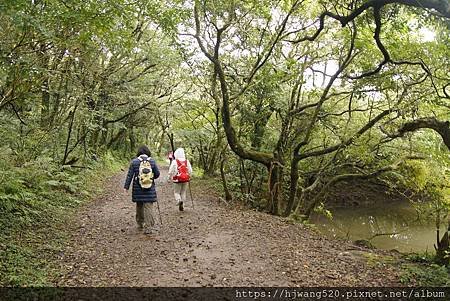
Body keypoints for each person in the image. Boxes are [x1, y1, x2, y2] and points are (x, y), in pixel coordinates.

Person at [124, 145, 160, 234]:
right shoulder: (152, 161)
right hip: (149, 187)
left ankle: (140, 223)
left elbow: (130, 175)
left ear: (138, 153)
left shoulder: (134, 162)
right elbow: (157, 174)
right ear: (148, 152)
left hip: (138, 188)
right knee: (148, 207)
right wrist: (151, 177)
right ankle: (149, 227)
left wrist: (126, 187)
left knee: (139, 205)